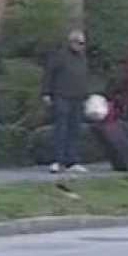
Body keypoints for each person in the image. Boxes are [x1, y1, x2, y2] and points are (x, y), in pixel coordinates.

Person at [41, 29, 91, 175]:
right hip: (62, 96)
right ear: (71, 42)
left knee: (75, 130)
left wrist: (86, 95)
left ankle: (73, 161)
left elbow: (84, 77)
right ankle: (58, 160)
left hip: (78, 97)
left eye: (83, 43)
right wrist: (46, 93)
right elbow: (49, 74)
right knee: (61, 129)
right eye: (79, 43)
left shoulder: (82, 58)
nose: (81, 46)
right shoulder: (60, 56)